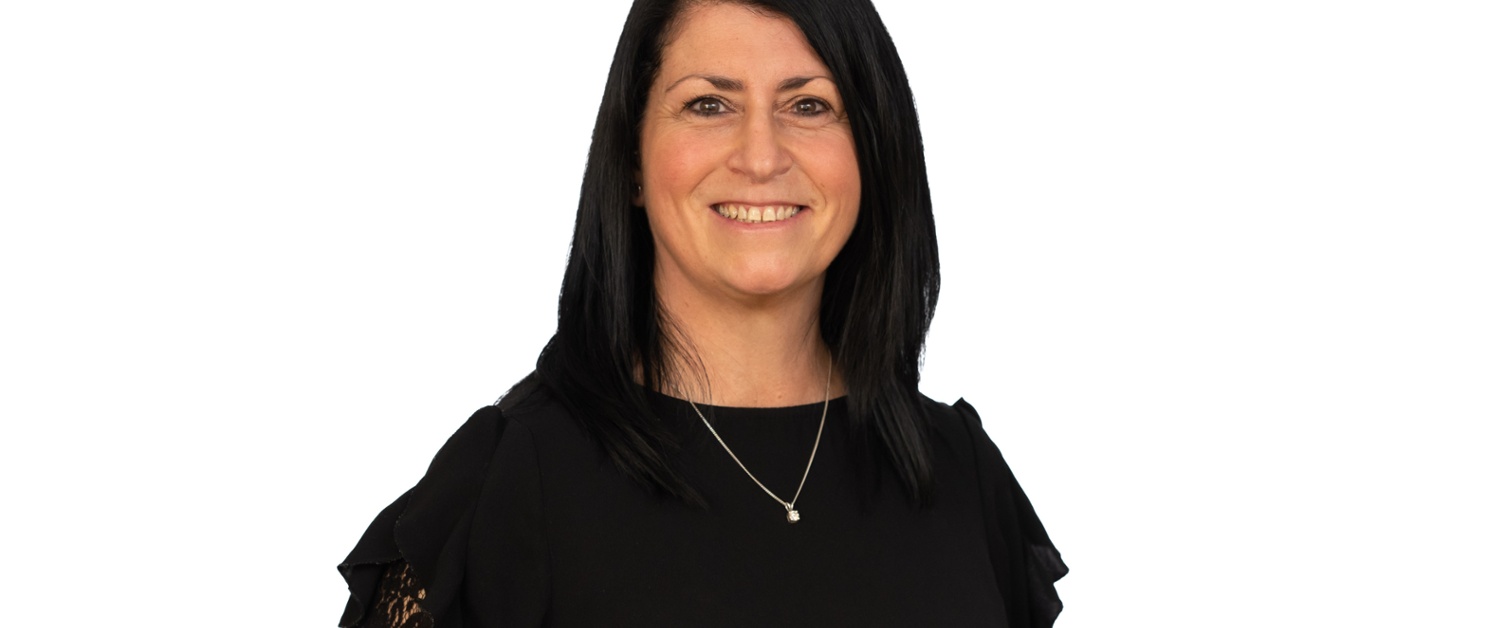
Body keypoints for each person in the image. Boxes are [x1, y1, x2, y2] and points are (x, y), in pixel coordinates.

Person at [337, 0, 1067, 626]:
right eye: (709, 105)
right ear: (631, 158)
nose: (761, 156)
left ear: (874, 151)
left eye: (809, 105)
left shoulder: (961, 474)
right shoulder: (506, 484)